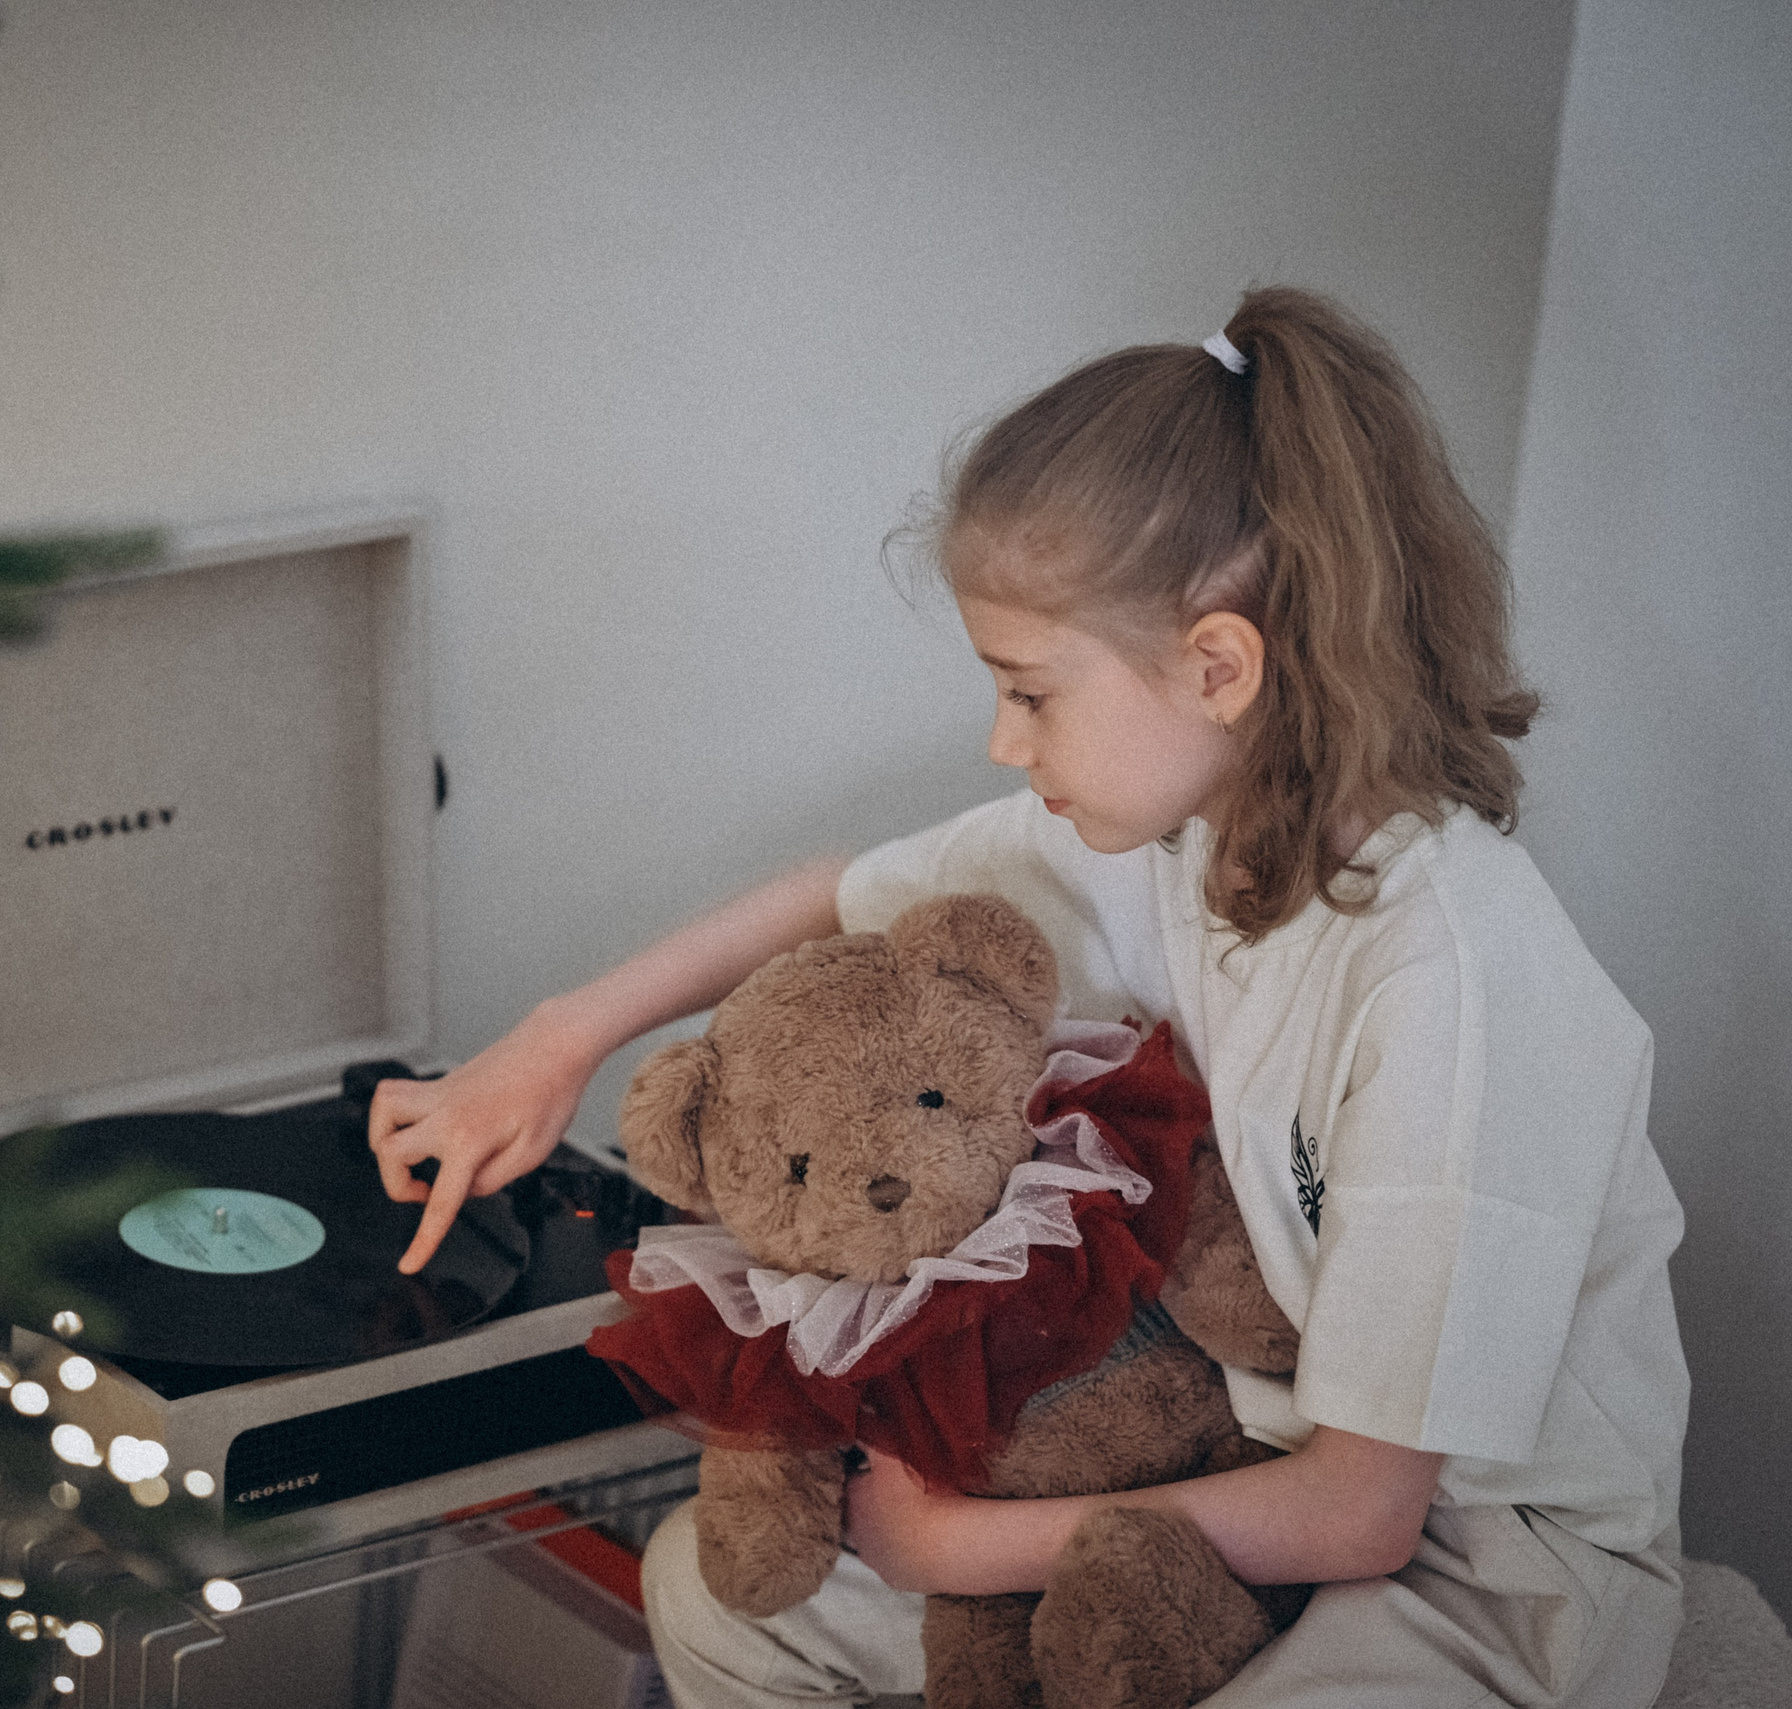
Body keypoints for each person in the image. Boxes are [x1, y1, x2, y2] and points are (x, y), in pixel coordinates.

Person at [366, 286, 1689, 1708]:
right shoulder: (1187, 830)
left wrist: (963, 1545)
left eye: (1032, 692)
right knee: (713, 1593)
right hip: (1224, 1473)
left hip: (1474, 1578)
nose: (1005, 742)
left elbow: (1365, 1510)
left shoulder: (1456, 986)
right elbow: (838, 888)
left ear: (1219, 665)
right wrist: (558, 1038)